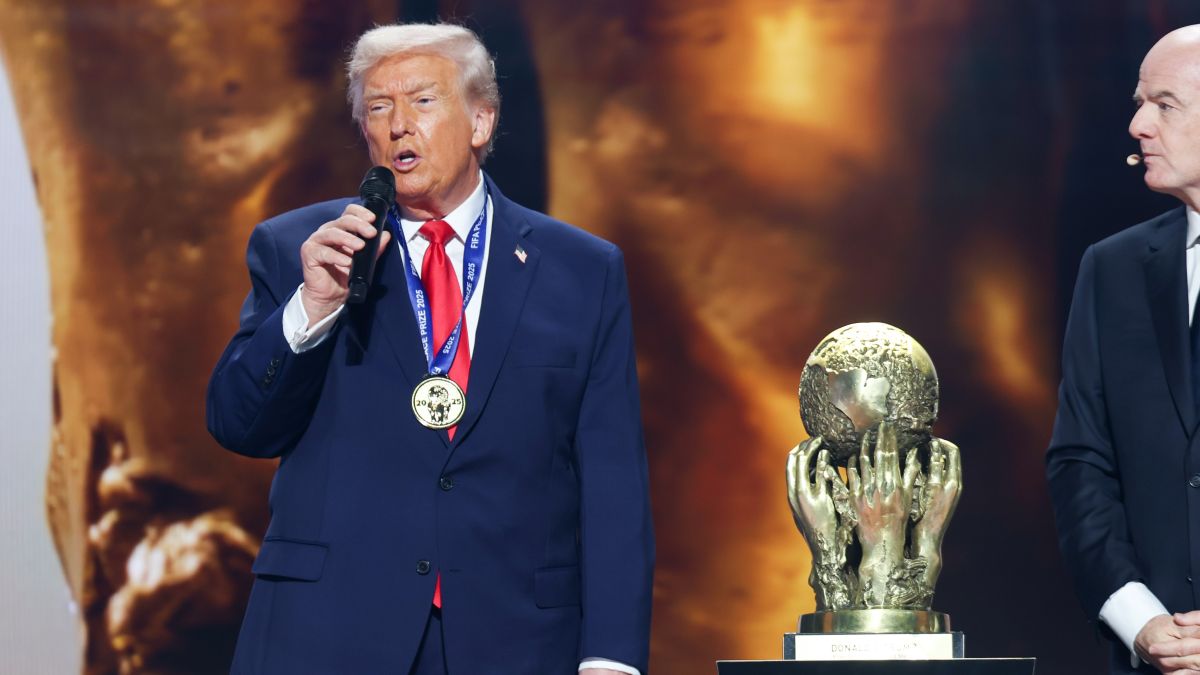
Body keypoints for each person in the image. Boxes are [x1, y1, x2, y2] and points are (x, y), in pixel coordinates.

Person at [206, 23, 654, 675]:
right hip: (329, 635)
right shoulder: (305, 249)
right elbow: (238, 423)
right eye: (378, 107)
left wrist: (611, 657)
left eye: (420, 101)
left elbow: (613, 480)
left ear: (480, 120)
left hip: (515, 640)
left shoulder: (581, 269)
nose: (396, 126)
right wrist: (312, 308)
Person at [1048, 24, 1200, 675]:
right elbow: (1081, 461)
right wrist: (1140, 620)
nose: (1138, 125)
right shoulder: (1110, 270)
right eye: (1140, 102)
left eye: (1164, 104)